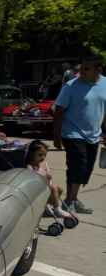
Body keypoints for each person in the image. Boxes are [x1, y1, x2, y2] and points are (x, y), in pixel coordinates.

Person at [53, 55, 106, 214]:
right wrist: (56, 136)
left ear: (98, 69)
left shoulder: (105, 84)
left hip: (94, 135)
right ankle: (69, 201)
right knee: (78, 166)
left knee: (87, 169)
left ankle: (74, 199)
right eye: (81, 67)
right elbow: (59, 111)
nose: (81, 71)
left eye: (86, 68)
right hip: (72, 133)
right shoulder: (71, 86)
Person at [25, 140, 73, 219]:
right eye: (40, 155)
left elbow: (48, 176)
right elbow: (33, 179)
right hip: (37, 190)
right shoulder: (30, 166)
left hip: (45, 187)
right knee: (54, 188)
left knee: (59, 189)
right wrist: (45, 178)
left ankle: (48, 206)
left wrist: (48, 177)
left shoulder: (44, 164)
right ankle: (57, 209)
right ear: (31, 154)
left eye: (44, 155)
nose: (43, 157)